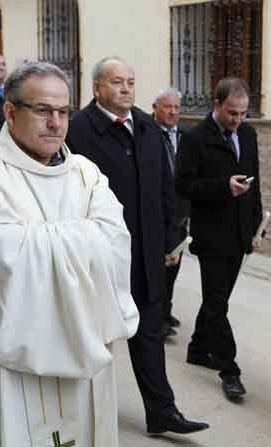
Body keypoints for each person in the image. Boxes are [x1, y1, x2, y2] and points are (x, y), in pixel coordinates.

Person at [0, 61, 139, 447]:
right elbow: (1, 253)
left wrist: (37, 238)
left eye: (64, 112)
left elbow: (116, 241)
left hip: (85, 354)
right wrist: (85, 237)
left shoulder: (86, 174)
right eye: (43, 110)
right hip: (11, 365)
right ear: (10, 112)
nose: (56, 123)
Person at [66, 56, 209, 435]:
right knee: (93, 338)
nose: (126, 88)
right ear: (97, 88)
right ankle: (83, 417)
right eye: (117, 82)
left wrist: (169, 239)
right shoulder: (78, 130)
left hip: (145, 255)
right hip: (98, 256)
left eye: (130, 81)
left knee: (149, 334)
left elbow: (165, 187)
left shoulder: (147, 126)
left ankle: (162, 412)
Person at [176, 77, 263, 400]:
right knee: (216, 305)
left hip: (240, 233)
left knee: (218, 299)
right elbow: (183, 185)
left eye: (243, 113)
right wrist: (223, 187)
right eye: (232, 113)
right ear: (216, 104)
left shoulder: (249, 135)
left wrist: (256, 227)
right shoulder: (195, 138)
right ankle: (230, 371)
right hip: (211, 234)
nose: (238, 119)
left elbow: (255, 183)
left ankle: (198, 348)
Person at [152, 87, 189, 339]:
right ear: (155, 107)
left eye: (176, 107)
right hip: (156, 212)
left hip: (179, 213)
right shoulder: (147, 134)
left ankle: (166, 311)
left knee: (174, 266)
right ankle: (156, 319)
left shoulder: (184, 136)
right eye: (168, 107)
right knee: (158, 268)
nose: (173, 112)